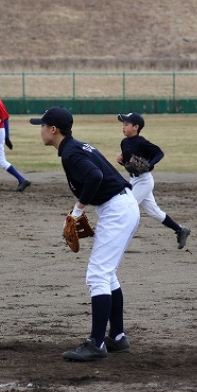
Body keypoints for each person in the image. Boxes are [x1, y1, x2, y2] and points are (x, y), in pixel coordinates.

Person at [30, 106, 140, 362]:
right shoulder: (75, 147)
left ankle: (96, 343)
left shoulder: (71, 153)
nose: (41, 130)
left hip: (117, 210)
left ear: (53, 130)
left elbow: (94, 175)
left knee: (97, 274)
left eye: (42, 126)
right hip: (122, 206)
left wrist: (78, 209)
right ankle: (118, 337)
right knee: (106, 273)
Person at [116, 112, 191, 249]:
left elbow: (159, 153)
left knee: (128, 208)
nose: (123, 127)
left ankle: (120, 242)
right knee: (154, 212)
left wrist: (150, 164)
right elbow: (129, 163)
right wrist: (121, 160)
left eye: (126, 124)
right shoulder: (124, 142)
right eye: (123, 124)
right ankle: (180, 230)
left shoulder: (142, 142)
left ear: (136, 127)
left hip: (144, 181)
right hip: (134, 180)